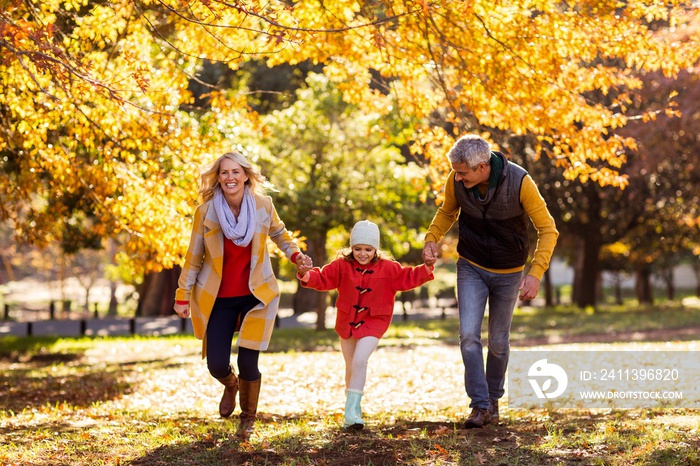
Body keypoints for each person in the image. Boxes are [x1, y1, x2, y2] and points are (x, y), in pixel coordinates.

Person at [422, 134, 558, 429]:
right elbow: (447, 211)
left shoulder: (520, 182)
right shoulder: (456, 181)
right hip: (471, 265)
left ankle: (493, 398)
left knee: (498, 341)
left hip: (509, 272)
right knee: (469, 336)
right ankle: (479, 405)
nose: (458, 178)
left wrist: (535, 273)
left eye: (463, 172)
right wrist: (432, 238)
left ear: (482, 166)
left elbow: (548, 229)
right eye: (455, 172)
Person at [174, 150, 312, 440]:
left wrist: (296, 255)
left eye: (236, 171)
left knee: (250, 361)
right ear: (218, 178)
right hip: (219, 297)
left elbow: (280, 234)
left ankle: (247, 418)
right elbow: (194, 256)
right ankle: (230, 384)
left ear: (246, 175)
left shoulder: (263, 205)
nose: (230, 177)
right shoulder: (206, 212)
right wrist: (182, 295)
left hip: (257, 295)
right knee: (215, 364)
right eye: (224, 172)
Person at [296, 220, 436, 430]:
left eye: (368, 249)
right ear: (351, 248)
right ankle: (351, 412)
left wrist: (427, 266)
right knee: (351, 365)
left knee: (361, 360)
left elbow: (409, 276)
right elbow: (323, 278)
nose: (362, 254)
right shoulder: (341, 265)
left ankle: (353, 412)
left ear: (376, 249)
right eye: (358, 248)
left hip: (374, 321)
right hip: (346, 322)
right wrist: (305, 273)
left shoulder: (388, 268)